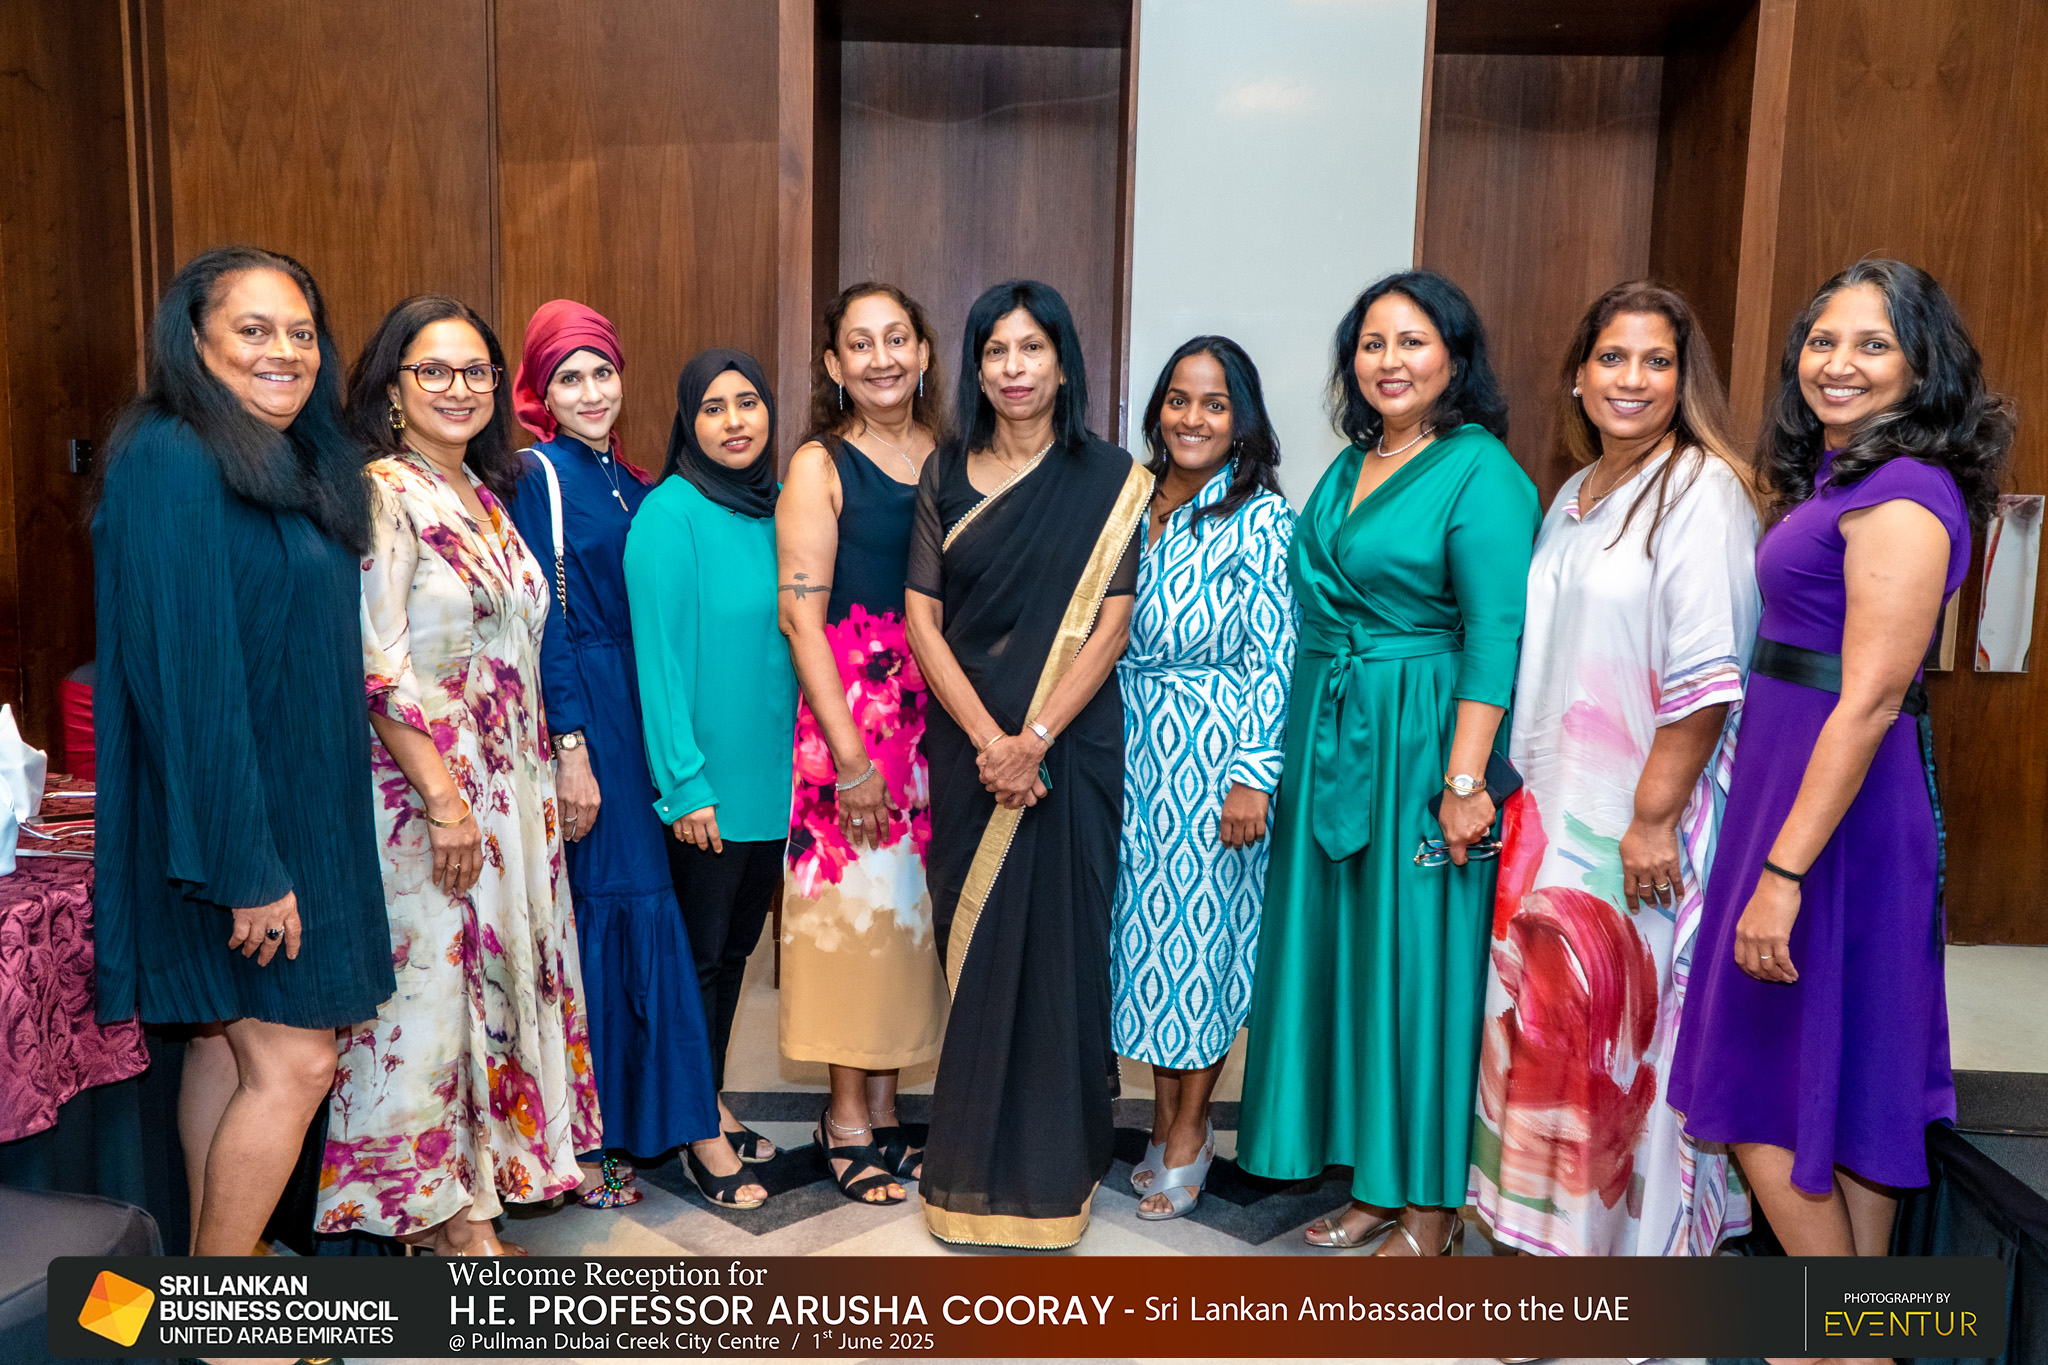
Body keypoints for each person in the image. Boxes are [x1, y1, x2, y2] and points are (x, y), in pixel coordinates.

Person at [1669, 260, 2012, 1273]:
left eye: (1872, 344)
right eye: (1822, 341)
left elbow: (1867, 700)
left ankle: (1832, 1336)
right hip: (1800, 791)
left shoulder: (1903, 492)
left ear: (1921, 366)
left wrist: (1781, 873)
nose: (1838, 363)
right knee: (1848, 1079)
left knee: (1752, 1071)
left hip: (1834, 818)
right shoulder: (1847, 478)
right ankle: (1854, 1327)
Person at [92, 246, 392, 1255]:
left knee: (228, 1050)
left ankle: (221, 1264)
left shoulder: (292, 458)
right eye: (253, 330)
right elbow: (191, 678)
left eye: (300, 332)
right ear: (195, 339)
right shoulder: (172, 454)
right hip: (228, 831)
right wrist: (244, 869)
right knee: (298, 1064)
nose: (284, 352)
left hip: (296, 813)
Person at [1235, 270, 1538, 1257]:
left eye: (1412, 341)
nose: (1389, 361)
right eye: (1372, 343)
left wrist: (1463, 783)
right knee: (1354, 966)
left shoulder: (1480, 470)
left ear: (1455, 357)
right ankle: (1374, 1182)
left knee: (1418, 971)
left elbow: (1494, 637)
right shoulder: (1348, 464)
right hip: (1334, 740)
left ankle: (1429, 1209)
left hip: (1422, 741)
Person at [1468, 282, 1761, 1258]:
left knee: (1624, 1050)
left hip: (1637, 831)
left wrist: (1651, 818)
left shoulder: (1701, 490)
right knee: (1549, 1039)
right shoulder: (1575, 493)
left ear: (1684, 382)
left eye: (1656, 361)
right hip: (1553, 821)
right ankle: (1551, 1254)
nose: (1631, 379)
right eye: (1611, 357)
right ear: (1577, 376)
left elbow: (1708, 676)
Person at [318, 295, 602, 1253]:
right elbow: (377, 663)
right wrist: (444, 802)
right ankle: (442, 1220)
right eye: (432, 370)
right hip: (424, 797)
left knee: (490, 990)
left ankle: (473, 1200)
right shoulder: (382, 490)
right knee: (432, 1002)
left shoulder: (484, 490)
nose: (459, 388)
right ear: (392, 389)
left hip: (508, 792)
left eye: (476, 370)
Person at [903, 279, 1151, 1248]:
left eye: (1031, 348)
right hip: (971, 749)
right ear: (976, 368)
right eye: (995, 351)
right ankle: (966, 1173)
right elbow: (923, 619)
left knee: (1058, 950)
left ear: (1062, 362)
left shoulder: (1110, 478)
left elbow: (1111, 625)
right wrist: (990, 743)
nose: (1014, 369)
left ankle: (1054, 1170)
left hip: (1069, 748)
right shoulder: (945, 471)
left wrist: (1035, 738)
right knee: (974, 947)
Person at [503, 300, 747, 1211]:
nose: (591, 391)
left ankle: (663, 1116)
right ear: (541, 391)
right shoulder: (536, 475)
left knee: (653, 911)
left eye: (601, 371)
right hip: (593, 710)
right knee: (616, 911)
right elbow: (545, 623)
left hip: (646, 706)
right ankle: (605, 1137)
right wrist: (573, 748)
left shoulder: (632, 480)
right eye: (568, 377)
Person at [1113, 336, 1298, 1221]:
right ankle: (1160, 1118)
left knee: (1202, 947)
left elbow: (1275, 652)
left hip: (1212, 752)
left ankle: (1192, 1132)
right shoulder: (1130, 501)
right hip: (1130, 746)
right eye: (1179, 400)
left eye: (1215, 403)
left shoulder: (1262, 517)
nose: (1193, 418)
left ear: (1241, 420)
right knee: (1148, 945)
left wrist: (1252, 775)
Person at [776, 284, 951, 1206]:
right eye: (861, 343)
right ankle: (844, 1118)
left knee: (906, 920)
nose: (881, 358)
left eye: (897, 339)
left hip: (936, 719)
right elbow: (798, 619)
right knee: (851, 919)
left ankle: (885, 1113)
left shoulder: (951, 454)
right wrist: (849, 762)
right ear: (835, 365)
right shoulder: (820, 464)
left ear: (923, 352)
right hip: (852, 718)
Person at [623, 348, 794, 1209]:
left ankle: (711, 1100)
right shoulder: (670, 515)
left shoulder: (777, 511)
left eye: (748, 403)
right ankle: (698, 1134)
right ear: (689, 422)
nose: (734, 421)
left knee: (732, 955)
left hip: (772, 784)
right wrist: (685, 784)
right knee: (695, 963)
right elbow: (657, 662)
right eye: (714, 407)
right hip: (705, 791)